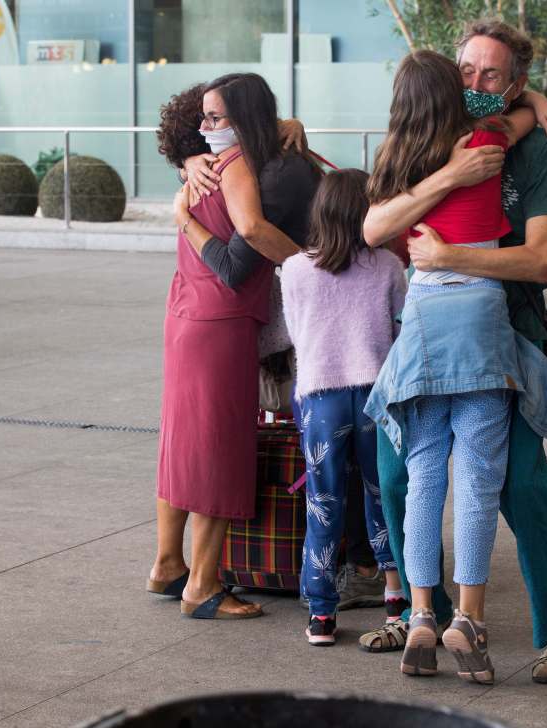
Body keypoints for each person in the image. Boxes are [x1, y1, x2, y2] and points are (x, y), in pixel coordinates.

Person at [361, 20, 547, 685]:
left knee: (519, 484)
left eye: (492, 75)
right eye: (465, 70)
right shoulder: (430, 138)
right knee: (401, 471)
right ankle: (419, 607)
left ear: (514, 82)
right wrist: (454, 174)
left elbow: (543, 263)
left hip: (507, 334)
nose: (474, 84)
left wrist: (448, 255)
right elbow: (374, 224)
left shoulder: (535, 150)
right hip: (431, 333)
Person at [148, 73, 314, 620]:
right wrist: (314, 268)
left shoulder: (205, 170)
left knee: (181, 443)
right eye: (205, 118)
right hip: (220, 323)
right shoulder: (236, 164)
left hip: (185, 316)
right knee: (219, 450)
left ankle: (168, 564)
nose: (206, 127)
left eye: (216, 117)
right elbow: (247, 238)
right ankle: (201, 586)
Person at [280, 168, 408, 645]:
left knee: (325, 501)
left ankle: (321, 614)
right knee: (385, 496)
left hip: (320, 396)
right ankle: (396, 596)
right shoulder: (389, 266)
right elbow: (401, 332)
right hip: (378, 395)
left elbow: (296, 335)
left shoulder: (294, 270)